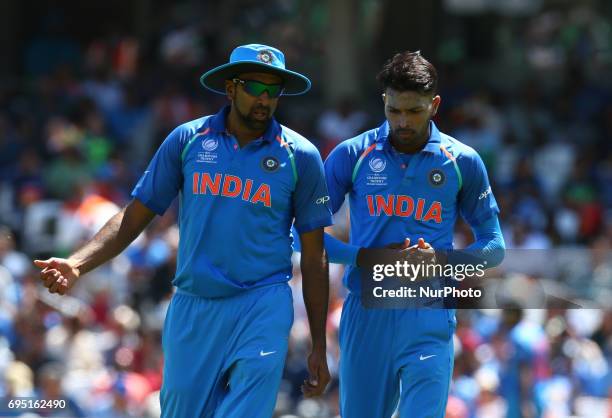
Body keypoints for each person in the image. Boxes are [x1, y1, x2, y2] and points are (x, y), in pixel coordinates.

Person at [33, 43, 333, 418]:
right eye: (256, 87)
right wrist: (78, 263)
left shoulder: (300, 155)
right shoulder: (187, 139)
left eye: (274, 91)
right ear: (231, 88)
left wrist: (318, 343)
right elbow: (136, 214)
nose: (266, 99)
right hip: (195, 303)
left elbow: (315, 252)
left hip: (263, 300)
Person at [322, 51, 505, 417]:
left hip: (427, 313)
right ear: (384, 102)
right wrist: (365, 257)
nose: (402, 122)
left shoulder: (462, 161)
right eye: (394, 110)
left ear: (434, 105)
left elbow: (494, 246)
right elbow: (304, 235)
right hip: (365, 312)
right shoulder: (352, 154)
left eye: (414, 111)